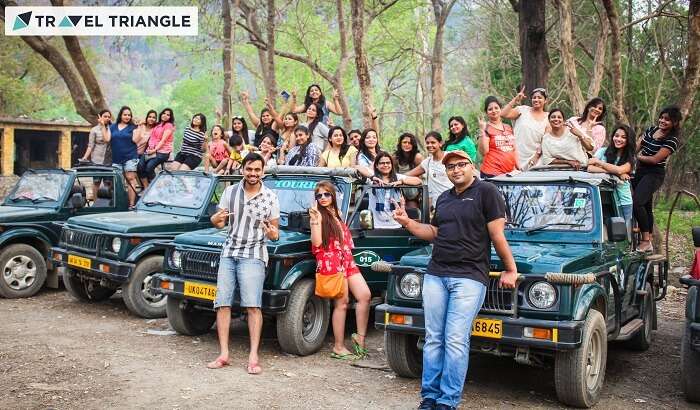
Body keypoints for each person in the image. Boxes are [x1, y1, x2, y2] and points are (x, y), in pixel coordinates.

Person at [391, 149, 517, 410]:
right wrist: (407, 223)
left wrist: (510, 269)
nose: (456, 170)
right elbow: (435, 232)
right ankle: (429, 398)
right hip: (436, 274)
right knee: (434, 337)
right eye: (450, 167)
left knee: (456, 339)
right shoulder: (445, 199)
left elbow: (497, 235)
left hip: (469, 277)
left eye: (461, 165)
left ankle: (447, 401)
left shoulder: (487, 192)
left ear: (472, 166)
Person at [208, 152, 280, 374]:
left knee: (252, 306)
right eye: (249, 169)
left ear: (263, 171)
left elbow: (275, 234)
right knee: (222, 303)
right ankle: (223, 354)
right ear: (242, 169)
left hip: (254, 255)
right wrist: (214, 220)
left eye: (257, 170)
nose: (253, 173)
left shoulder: (270, 197)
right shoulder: (230, 192)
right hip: (229, 252)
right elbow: (219, 222)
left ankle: (253, 357)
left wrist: (272, 232)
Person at [309, 181, 371, 359]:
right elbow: (317, 243)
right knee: (341, 303)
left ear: (333, 195)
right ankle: (338, 346)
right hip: (331, 262)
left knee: (365, 295)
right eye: (319, 196)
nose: (323, 198)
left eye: (326, 194)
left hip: (346, 260)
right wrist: (314, 220)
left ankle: (360, 339)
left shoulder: (337, 213)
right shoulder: (318, 216)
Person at [632, 105, 682, 252]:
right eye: (661, 117)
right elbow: (638, 145)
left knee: (637, 202)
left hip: (654, 173)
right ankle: (649, 238)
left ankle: (646, 240)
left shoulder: (672, 140)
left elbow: (655, 159)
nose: (662, 121)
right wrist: (629, 156)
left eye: (667, 119)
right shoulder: (652, 130)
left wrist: (638, 157)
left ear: (674, 123)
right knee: (646, 206)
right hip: (640, 171)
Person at [587, 124, 636, 229]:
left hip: (623, 200)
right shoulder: (603, 151)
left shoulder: (630, 158)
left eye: (623, 137)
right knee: (604, 229)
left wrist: (598, 162)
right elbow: (590, 168)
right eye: (616, 135)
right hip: (603, 197)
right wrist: (616, 173)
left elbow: (619, 169)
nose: (618, 139)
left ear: (629, 140)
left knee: (624, 231)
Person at [359, 152, 422, 229]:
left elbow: (418, 181)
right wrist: (373, 178)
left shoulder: (397, 177)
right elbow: (357, 168)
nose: (385, 165)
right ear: (376, 165)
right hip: (376, 227)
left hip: (396, 226)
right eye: (382, 163)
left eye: (388, 163)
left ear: (392, 165)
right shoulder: (372, 179)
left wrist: (401, 182)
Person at [500, 86, 549, 170]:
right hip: (517, 157)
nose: (536, 100)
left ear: (546, 100)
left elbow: (546, 140)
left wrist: (536, 157)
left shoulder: (548, 117)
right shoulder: (522, 110)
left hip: (536, 160)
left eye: (539, 98)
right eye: (534, 98)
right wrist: (515, 100)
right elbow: (503, 114)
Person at [405, 132, 453, 209]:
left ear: (440, 143)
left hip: (452, 200)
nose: (430, 145)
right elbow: (408, 174)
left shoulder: (450, 157)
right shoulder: (427, 163)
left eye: (433, 142)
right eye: (427, 143)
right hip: (437, 205)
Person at [478, 96, 517, 178]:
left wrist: (518, 167)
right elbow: (483, 151)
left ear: (500, 109)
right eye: (490, 109)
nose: (494, 111)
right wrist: (482, 130)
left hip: (509, 173)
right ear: (486, 112)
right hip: (491, 173)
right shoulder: (486, 128)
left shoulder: (508, 127)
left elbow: (514, 149)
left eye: (496, 108)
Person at [109, 106, 140, 208]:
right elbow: (107, 139)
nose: (127, 116)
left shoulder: (133, 127)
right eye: (125, 114)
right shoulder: (113, 127)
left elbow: (136, 140)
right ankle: (119, 205)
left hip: (130, 156)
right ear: (120, 115)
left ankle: (131, 204)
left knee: (131, 179)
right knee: (117, 181)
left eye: (129, 115)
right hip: (116, 158)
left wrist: (139, 127)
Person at [138, 108, 175, 188]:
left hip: (162, 152)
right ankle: (146, 187)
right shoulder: (158, 124)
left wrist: (154, 150)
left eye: (168, 115)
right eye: (164, 113)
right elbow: (148, 122)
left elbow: (163, 140)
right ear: (161, 114)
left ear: (170, 117)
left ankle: (156, 187)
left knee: (149, 167)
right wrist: (142, 122)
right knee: (140, 167)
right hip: (150, 150)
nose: (165, 115)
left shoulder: (168, 125)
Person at [394, 133, 424, 208]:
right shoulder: (395, 158)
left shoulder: (417, 157)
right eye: (404, 142)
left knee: (413, 211)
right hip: (399, 188)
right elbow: (394, 174)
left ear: (413, 145)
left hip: (413, 189)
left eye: (410, 143)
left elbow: (420, 178)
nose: (407, 144)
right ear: (400, 144)